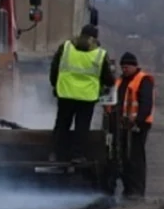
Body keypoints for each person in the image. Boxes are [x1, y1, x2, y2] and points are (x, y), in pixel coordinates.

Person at [49, 24, 115, 163]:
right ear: (95, 37)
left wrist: (55, 85)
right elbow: (108, 79)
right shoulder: (99, 53)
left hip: (65, 92)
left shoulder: (66, 47)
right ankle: (77, 155)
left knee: (62, 124)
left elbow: (55, 67)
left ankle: (56, 154)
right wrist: (108, 84)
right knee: (82, 127)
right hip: (87, 96)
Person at [114, 52, 155, 200]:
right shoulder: (120, 81)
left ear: (134, 66)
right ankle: (128, 189)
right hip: (124, 125)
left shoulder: (143, 80)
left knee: (136, 157)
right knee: (124, 156)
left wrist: (138, 121)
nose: (124, 70)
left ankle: (137, 190)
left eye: (127, 67)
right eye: (123, 67)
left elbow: (146, 103)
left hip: (139, 125)